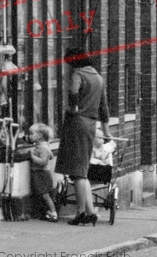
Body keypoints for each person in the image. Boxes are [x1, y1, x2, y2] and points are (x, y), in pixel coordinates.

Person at [55, 49, 113, 226]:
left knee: (77, 171)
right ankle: (89, 212)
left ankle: (80, 213)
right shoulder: (98, 77)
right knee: (82, 170)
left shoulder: (78, 74)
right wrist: (106, 130)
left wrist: (73, 108)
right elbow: (104, 108)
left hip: (77, 123)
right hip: (90, 125)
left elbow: (73, 91)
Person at [28, 123, 58, 222]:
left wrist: (32, 157)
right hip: (39, 174)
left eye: (32, 133)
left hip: (42, 174)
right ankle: (47, 211)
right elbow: (51, 156)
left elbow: (43, 162)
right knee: (42, 194)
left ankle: (53, 212)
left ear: (40, 136)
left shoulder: (43, 148)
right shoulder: (44, 147)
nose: (29, 136)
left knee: (45, 195)